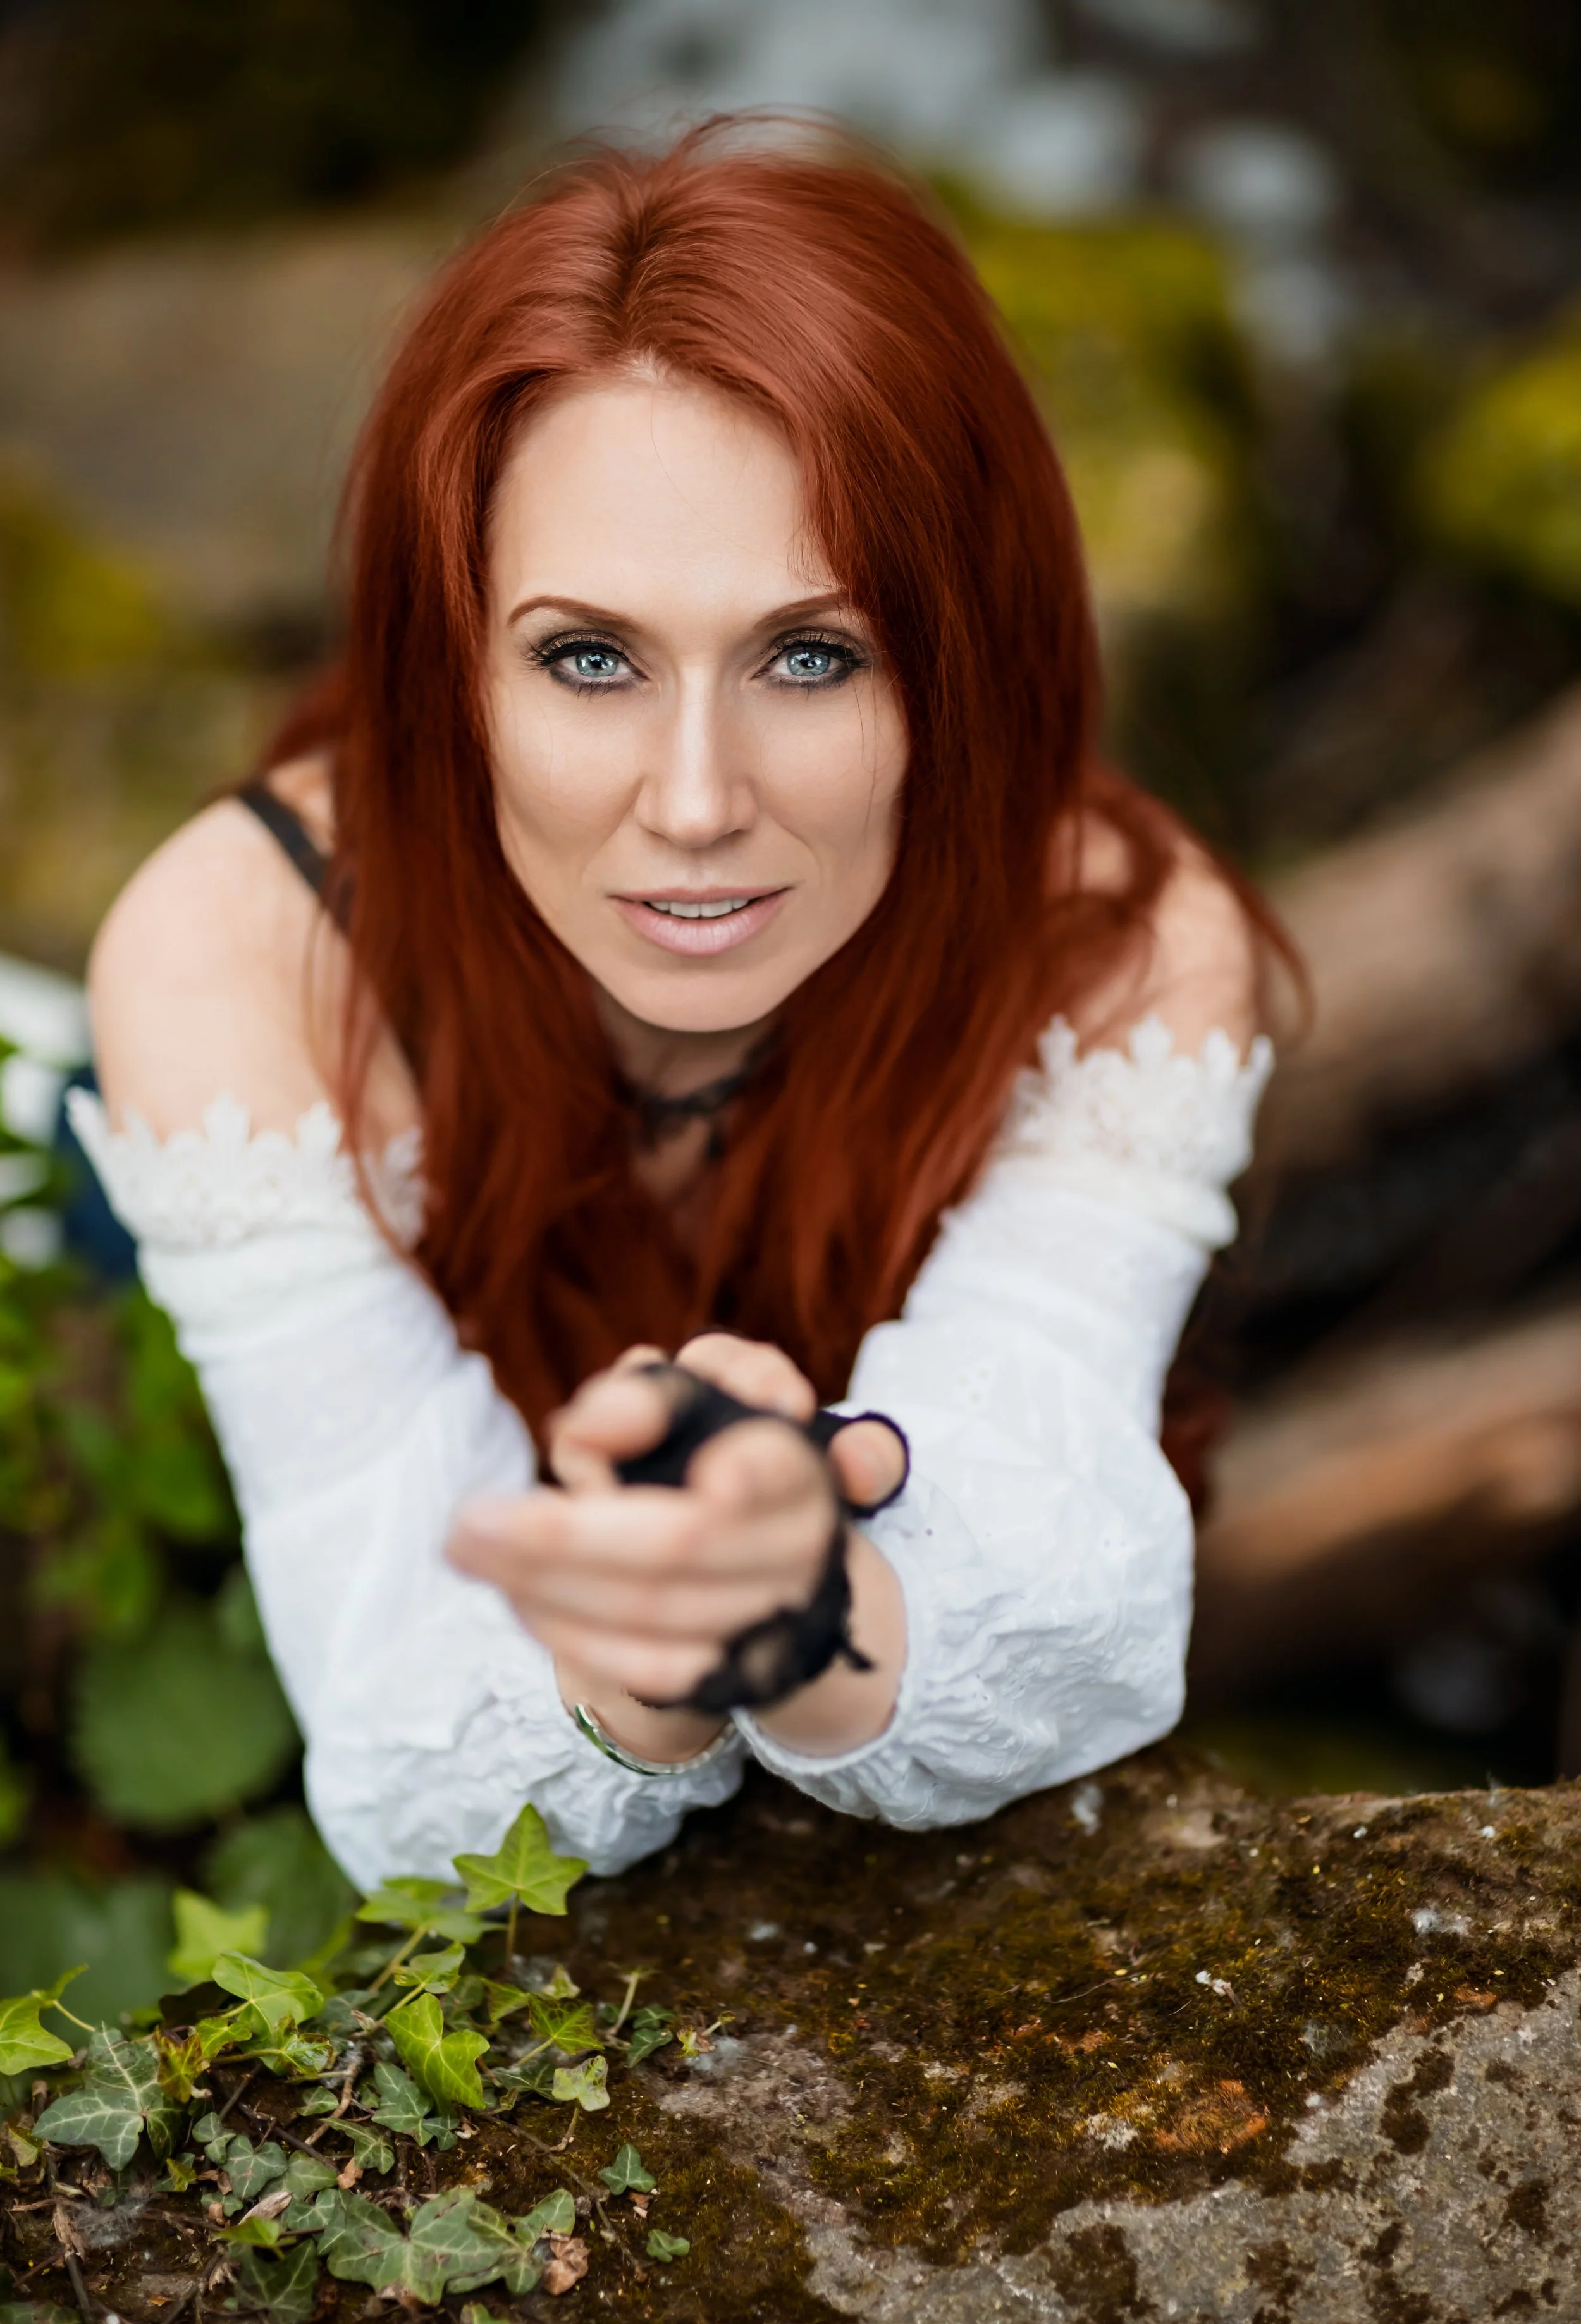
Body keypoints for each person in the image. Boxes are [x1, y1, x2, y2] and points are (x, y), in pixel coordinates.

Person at [70, 125, 1274, 1890]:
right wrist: (635, 1664)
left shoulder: (1120, 942)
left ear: (961, 661)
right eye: (588, 656)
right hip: (219, 1140)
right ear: (450, 667)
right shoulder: (232, 955)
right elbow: (398, 1732)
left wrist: (794, 1603)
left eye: (810, 652)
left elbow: (1055, 1547)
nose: (696, 799)